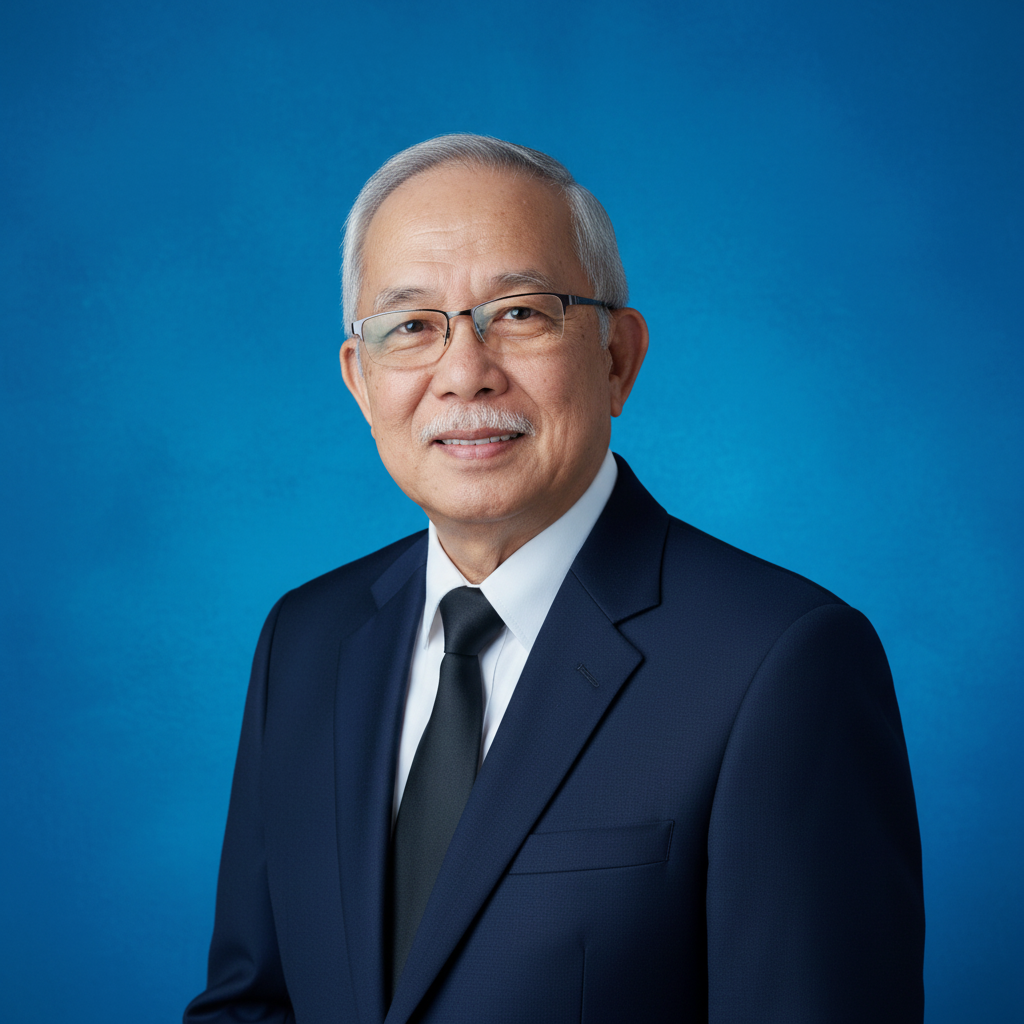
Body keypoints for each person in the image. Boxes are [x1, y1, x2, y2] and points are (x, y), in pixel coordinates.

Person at [185, 134, 924, 1024]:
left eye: (521, 313)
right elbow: (251, 1006)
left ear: (617, 357)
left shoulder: (780, 661)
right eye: (412, 327)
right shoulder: (305, 641)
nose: (464, 373)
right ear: (360, 378)